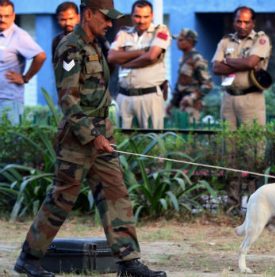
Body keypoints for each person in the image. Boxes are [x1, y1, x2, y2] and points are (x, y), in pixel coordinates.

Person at [13, 0, 166, 276]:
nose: (110, 24)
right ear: (90, 14)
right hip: (77, 138)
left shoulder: (96, 43)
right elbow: (68, 101)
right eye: (106, 18)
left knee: (115, 193)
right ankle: (29, 258)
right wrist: (92, 136)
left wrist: (102, 132)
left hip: (101, 133)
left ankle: (127, 262)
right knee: (61, 198)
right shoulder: (70, 47)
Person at [211, 6, 272, 211]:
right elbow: (215, 67)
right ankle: (232, 202)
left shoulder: (260, 40)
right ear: (234, 21)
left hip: (251, 99)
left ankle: (256, 204)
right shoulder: (225, 41)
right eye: (239, 21)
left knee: (253, 151)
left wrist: (228, 61)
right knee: (229, 151)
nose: (242, 25)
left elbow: (251, 61)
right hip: (228, 99)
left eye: (247, 22)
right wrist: (240, 63)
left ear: (253, 23)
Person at [108, 0, 171, 129]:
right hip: (124, 95)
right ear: (131, 16)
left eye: (146, 17)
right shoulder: (124, 33)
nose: (141, 21)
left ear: (152, 16)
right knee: (122, 141)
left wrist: (126, 62)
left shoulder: (160, 30)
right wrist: (142, 52)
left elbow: (151, 56)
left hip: (150, 95)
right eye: (137, 16)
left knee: (152, 141)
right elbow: (112, 56)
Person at [0, 0, 46, 125]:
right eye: (0, 16)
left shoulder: (19, 36)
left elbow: (40, 56)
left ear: (13, 16)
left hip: (8, 100)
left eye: (6, 16)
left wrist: (26, 77)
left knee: (10, 140)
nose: (2, 19)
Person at [166, 28, 213, 122]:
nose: (177, 42)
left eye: (180, 40)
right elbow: (180, 84)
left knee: (191, 134)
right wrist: (171, 104)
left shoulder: (196, 59)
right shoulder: (184, 59)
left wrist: (192, 97)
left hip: (193, 106)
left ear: (190, 41)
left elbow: (208, 84)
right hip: (181, 104)